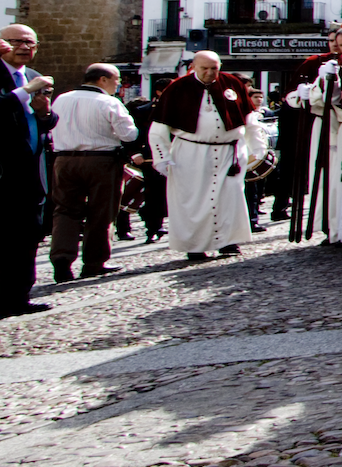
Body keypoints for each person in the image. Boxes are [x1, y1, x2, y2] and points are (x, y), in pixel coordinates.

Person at [147, 51, 266, 260]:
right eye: (205, 68)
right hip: (191, 152)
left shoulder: (232, 83)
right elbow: (158, 129)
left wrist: (257, 148)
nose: (210, 73)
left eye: (215, 68)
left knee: (230, 198)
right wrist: (162, 158)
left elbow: (249, 119)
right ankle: (194, 245)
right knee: (193, 200)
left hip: (229, 152)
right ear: (193, 66)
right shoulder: (177, 88)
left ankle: (229, 242)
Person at [46, 63, 140, 282]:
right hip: (101, 161)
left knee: (65, 210)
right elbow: (129, 135)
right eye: (116, 79)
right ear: (102, 80)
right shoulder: (109, 102)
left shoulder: (61, 99)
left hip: (64, 160)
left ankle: (62, 258)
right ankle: (94, 263)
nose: (118, 84)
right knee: (101, 211)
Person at [0, 33, 48, 316]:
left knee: (28, 235)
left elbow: (42, 122)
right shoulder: (26, 82)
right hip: (4, 170)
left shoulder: (33, 75)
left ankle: (20, 297)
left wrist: (45, 114)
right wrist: (25, 91)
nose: (24, 47)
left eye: (30, 43)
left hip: (31, 170)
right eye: (16, 41)